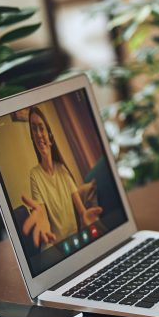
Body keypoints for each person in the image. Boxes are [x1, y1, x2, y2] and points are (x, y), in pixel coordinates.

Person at [19, 106, 102, 249]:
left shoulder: (62, 169)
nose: (38, 134)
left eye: (41, 128)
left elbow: (82, 211)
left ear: (49, 135)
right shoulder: (35, 175)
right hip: (57, 245)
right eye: (34, 129)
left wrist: (85, 216)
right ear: (32, 138)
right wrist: (42, 221)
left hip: (76, 239)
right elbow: (41, 211)